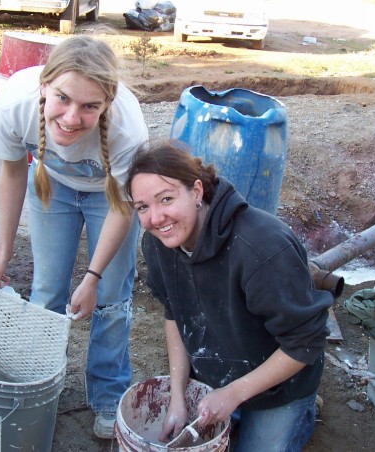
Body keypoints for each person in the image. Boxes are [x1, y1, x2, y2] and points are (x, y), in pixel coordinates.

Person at [0, 35, 149, 439]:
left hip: (109, 198)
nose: (72, 117)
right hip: (51, 185)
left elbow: (123, 206)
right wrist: (4, 248)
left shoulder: (128, 129)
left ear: (107, 103)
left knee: (111, 297)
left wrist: (91, 277)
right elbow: (13, 173)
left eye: (90, 106)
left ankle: (108, 397)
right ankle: (39, 390)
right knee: (46, 290)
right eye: (62, 98)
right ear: (45, 86)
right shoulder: (12, 104)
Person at [125, 140, 333, 451]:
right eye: (142, 207)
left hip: (279, 386)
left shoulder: (262, 248)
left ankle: (303, 413)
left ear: (197, 191)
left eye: (166, 199)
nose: (155, 219)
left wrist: (234, 393)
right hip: (217, 372)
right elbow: (175, 314)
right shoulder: (158, 245)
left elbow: (306, 342)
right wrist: (177, 397)